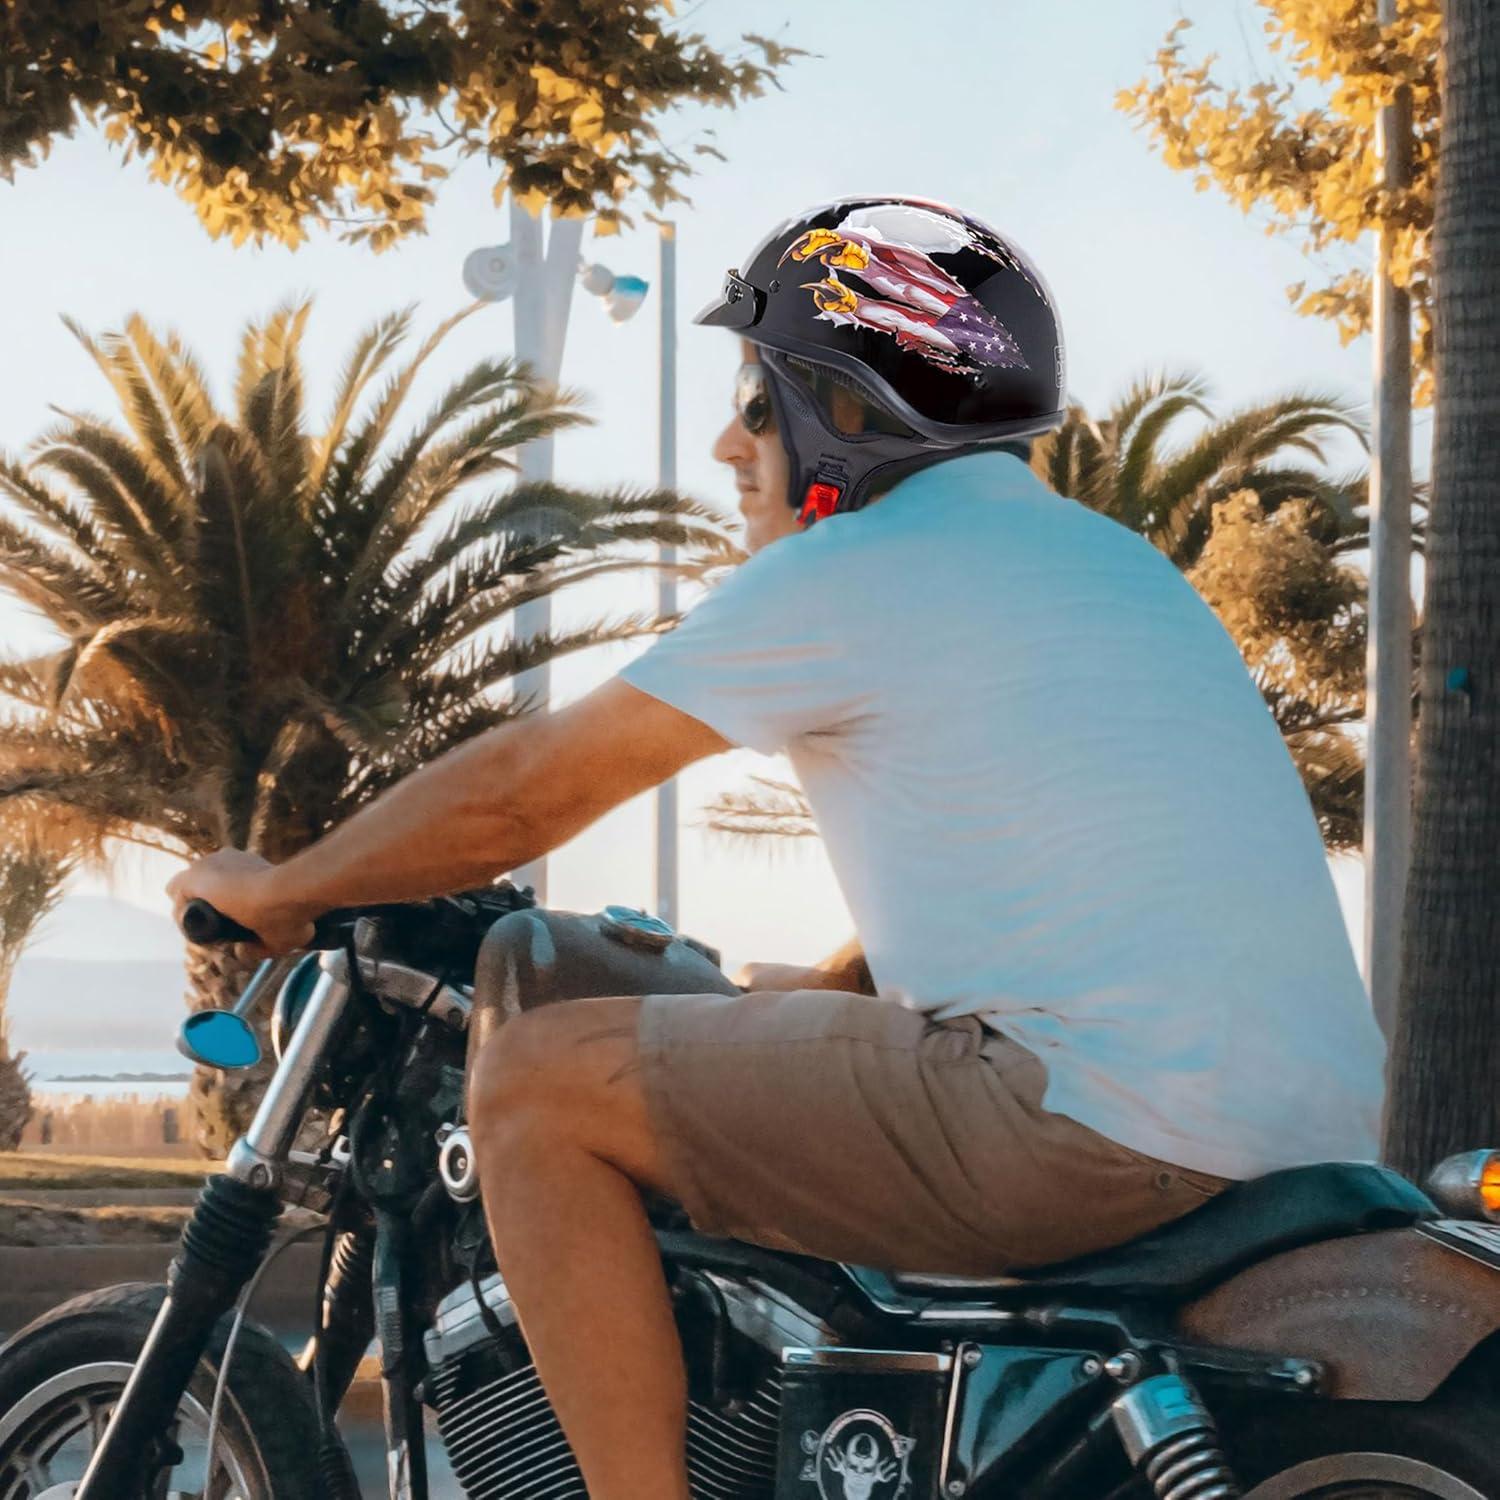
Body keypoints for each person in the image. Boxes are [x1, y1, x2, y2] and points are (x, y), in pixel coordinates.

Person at [168, 196, 1387, 1500]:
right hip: (1306, 1128)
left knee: (535, 1086)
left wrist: (288, 887)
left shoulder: (856, 565)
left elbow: (522, 797)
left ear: (849, 408)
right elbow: (1058, 874)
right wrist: (833, 988)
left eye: (759, 400)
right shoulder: (1113, 565)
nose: (727, 442)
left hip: (1091, 1123)